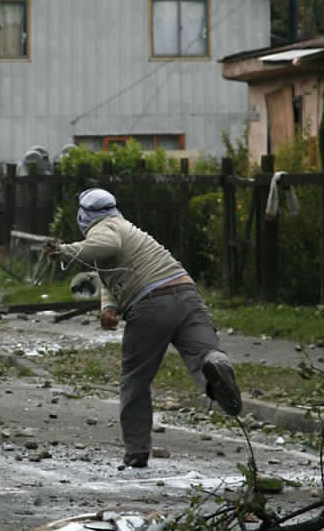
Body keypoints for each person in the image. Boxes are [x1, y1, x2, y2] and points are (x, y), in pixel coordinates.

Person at [45, 188, 242, 468]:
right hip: (186, 294)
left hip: (152, 304)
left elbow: (106, 246)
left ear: (84, 215)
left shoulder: (106, 228)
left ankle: (137, 451)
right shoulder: (127, 228)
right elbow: (111, 273)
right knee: (205, 356)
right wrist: (108, 308)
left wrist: (66, 251)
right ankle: (217, 366)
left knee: (135, 380)